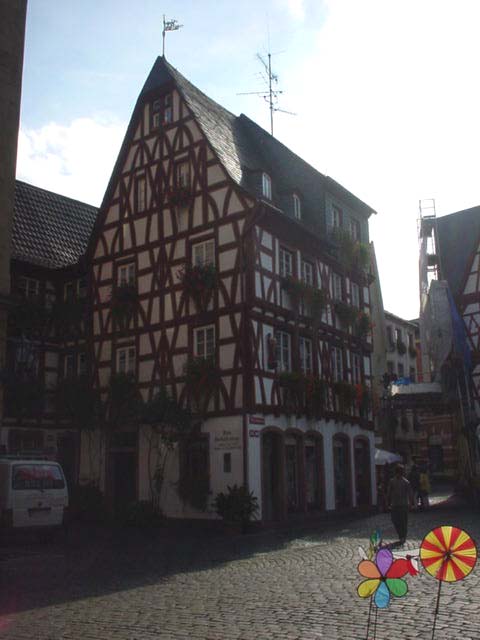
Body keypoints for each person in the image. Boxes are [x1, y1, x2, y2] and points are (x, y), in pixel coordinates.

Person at [387, 464, 414, 544]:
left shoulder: (406, 482)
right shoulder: (392, 481)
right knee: (395, 520)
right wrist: (388, 502)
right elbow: (389, 492)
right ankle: (400, 534)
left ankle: (403, 536)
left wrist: (411, 503)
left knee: (403, 521)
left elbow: (410, 493)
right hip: (395, 504)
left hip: (403, 505)